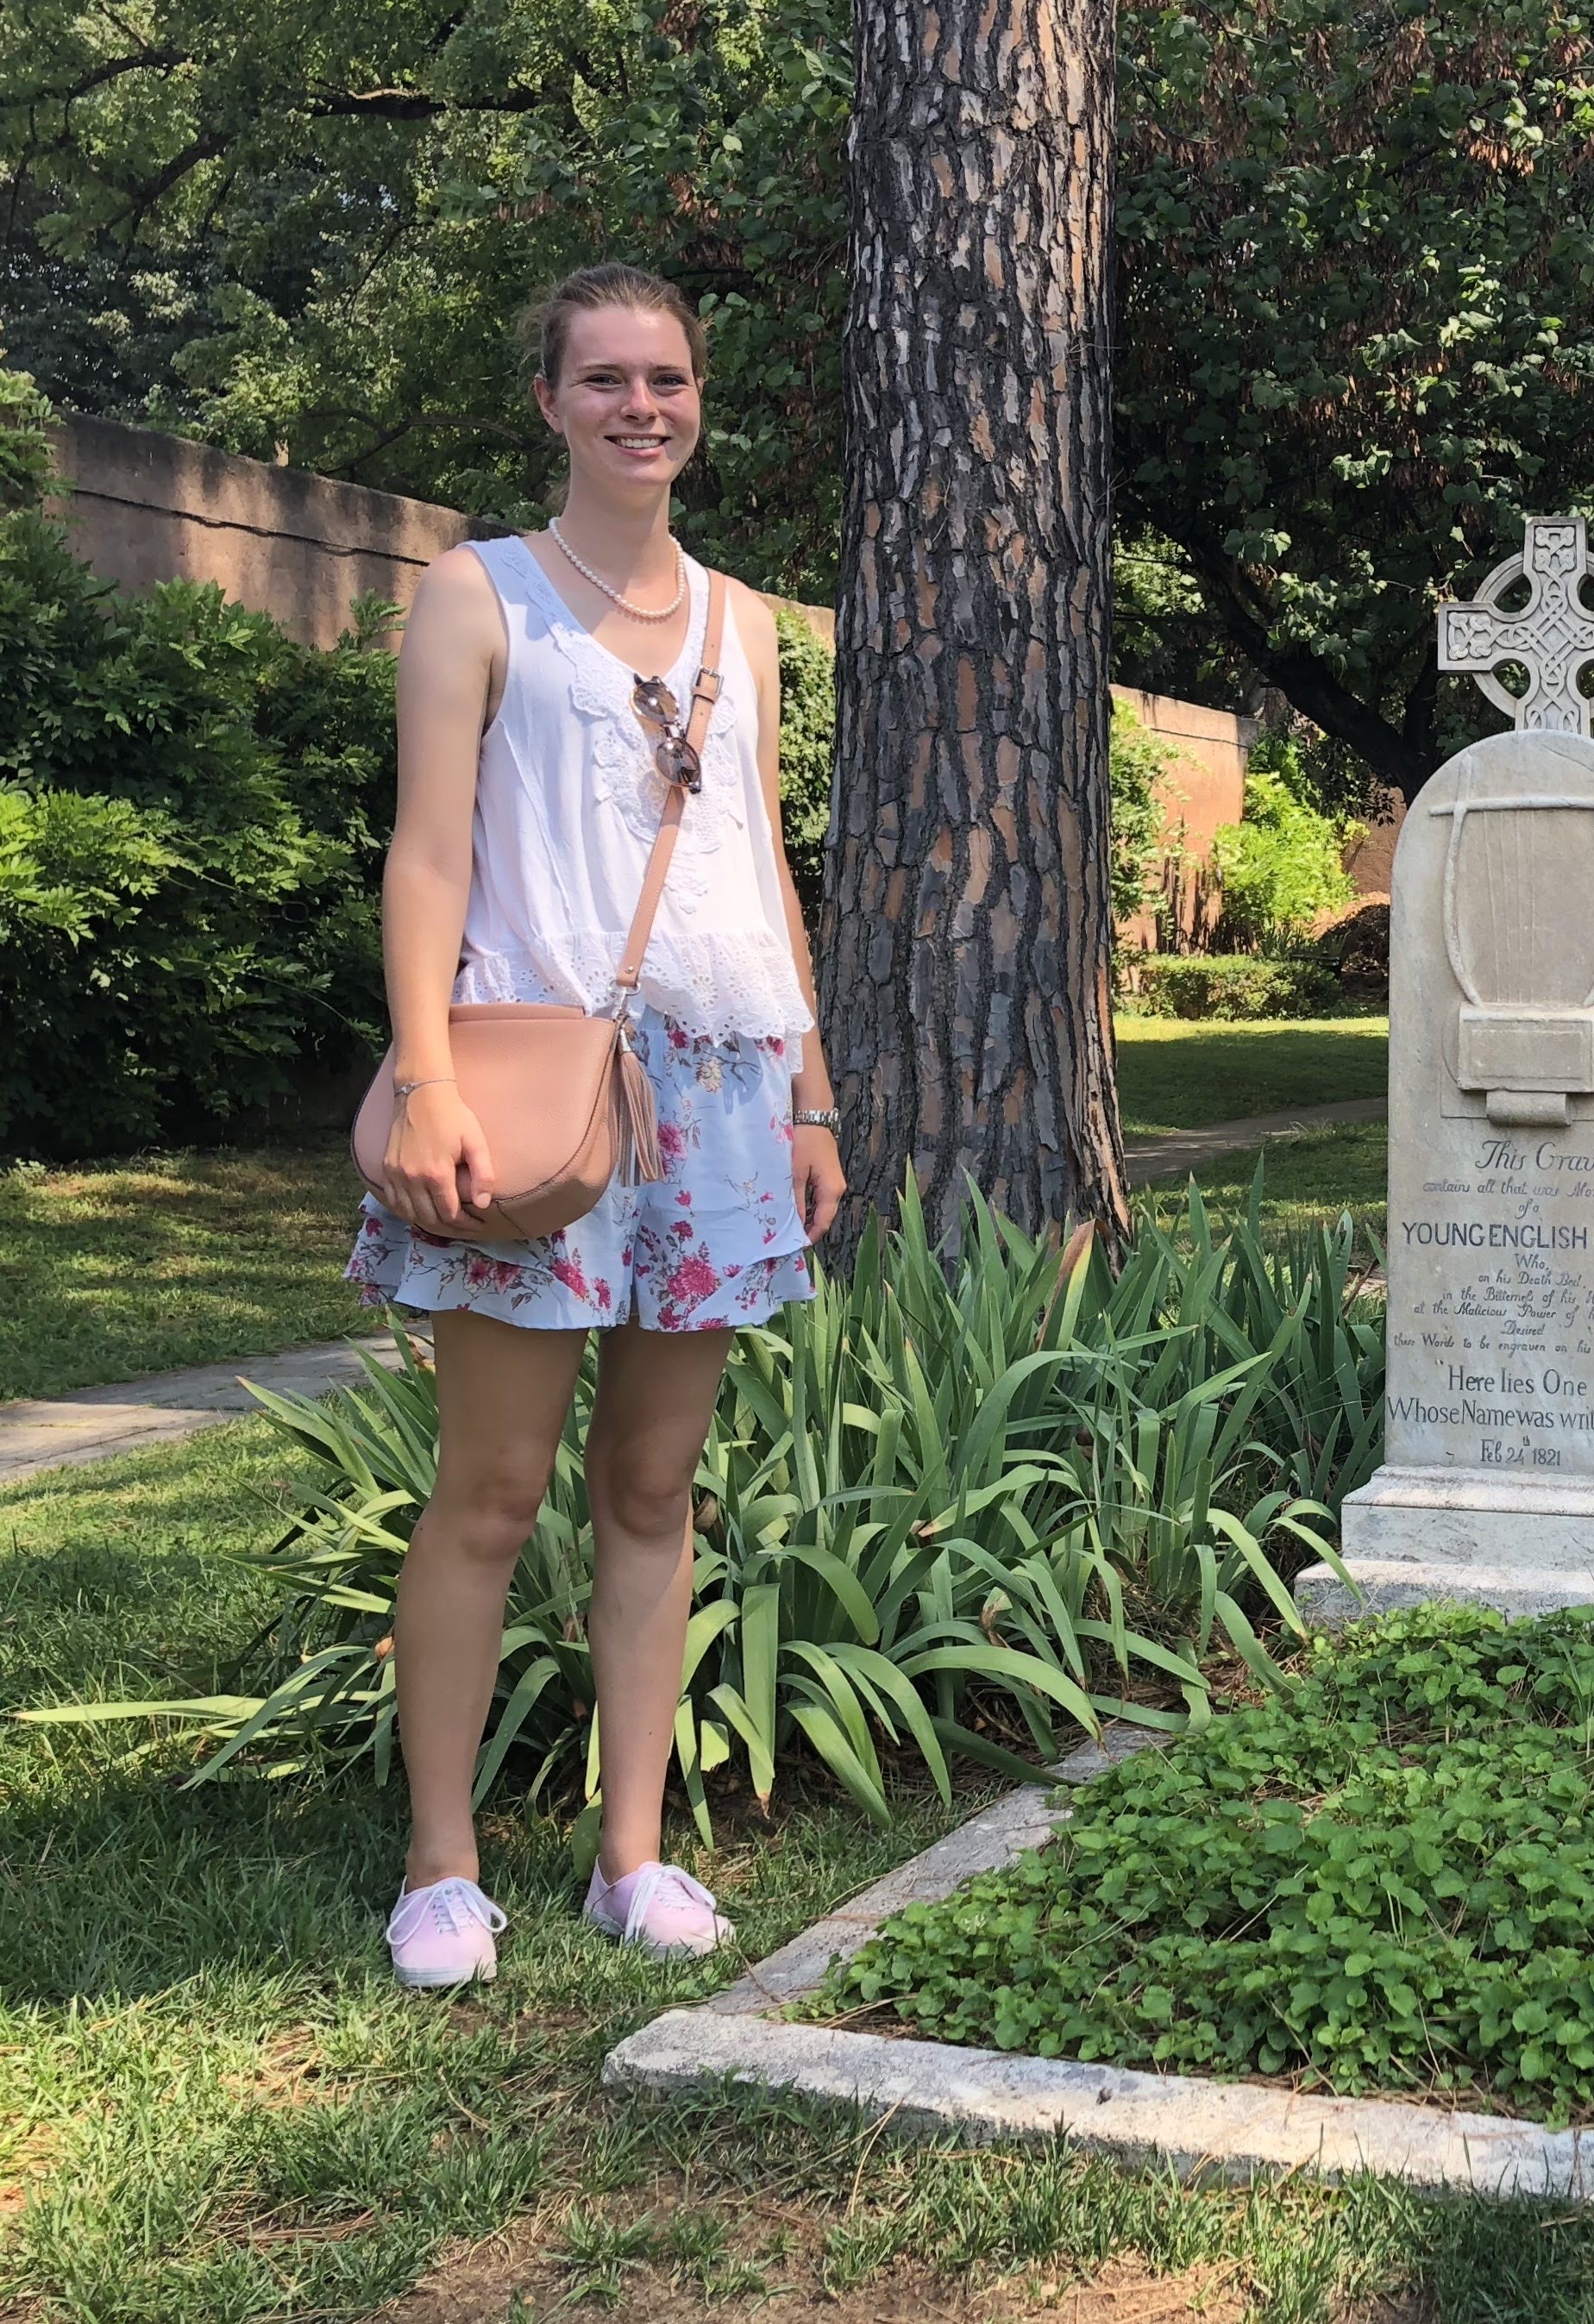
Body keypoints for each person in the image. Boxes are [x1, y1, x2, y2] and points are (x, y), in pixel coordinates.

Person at [346, 261, 845, 1989]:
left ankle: (633, 1856)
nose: (646, 403)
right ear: (550, 399)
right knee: (486, 1493)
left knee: (653, 1488)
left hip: (715, 1097)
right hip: (530, 1092)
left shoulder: (746, 623)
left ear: (699, 400)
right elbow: (426, 856)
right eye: (609, 376)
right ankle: (441, 1867)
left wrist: (813, 1087)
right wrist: (424, 1079)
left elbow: (758, 862)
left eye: (671, 377)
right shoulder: (478, 595)